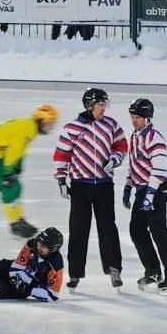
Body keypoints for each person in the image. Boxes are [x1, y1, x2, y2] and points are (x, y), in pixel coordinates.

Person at [53, 87, 127, 289]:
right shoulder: (72, 128)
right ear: (89, 105)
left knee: (108, 228)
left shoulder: (111, 125)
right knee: (78, 230)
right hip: (80, 187)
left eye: (105, 104)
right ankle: (75, 273)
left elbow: (121, 146)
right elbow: (61, 155)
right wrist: (61, 180)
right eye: (100, 104)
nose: (104, 108)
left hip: (104, 186)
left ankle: (114, 269)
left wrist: (114, 159)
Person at [122, 98, 167, 293]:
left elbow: (159, 169)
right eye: (132, 116)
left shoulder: (154, 137)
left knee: (159, 232)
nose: (134, 120)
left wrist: (150, 193)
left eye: (138, 117)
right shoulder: (135, 136)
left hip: (157, 190)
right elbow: (134, 164)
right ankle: (153, 271)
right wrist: (128, 186)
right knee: (136, 230)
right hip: (142, 190)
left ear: (147, 118)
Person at [0, 104, 59, 239]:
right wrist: (8, 172)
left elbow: (18, 149)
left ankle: (18, 219)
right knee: (7, 186)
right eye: (50, 124)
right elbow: (14, 150)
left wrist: (17, 166)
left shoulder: (29, 127)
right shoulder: (28, 129)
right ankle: (15, 224)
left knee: (15, 186)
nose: (51, 127)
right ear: (41, 121)